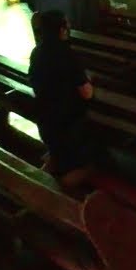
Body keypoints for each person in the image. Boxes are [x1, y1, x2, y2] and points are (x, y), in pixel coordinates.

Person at [28, 10, 98, 187]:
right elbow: (87, 93)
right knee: (93, 167)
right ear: (61, 30)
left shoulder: (36, 53)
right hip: (68, 126)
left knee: (59, 155)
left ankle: (53, 162)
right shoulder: (68, 55)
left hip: (45, 123)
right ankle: (55, 190)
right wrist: (87, 80)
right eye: (66, 26)